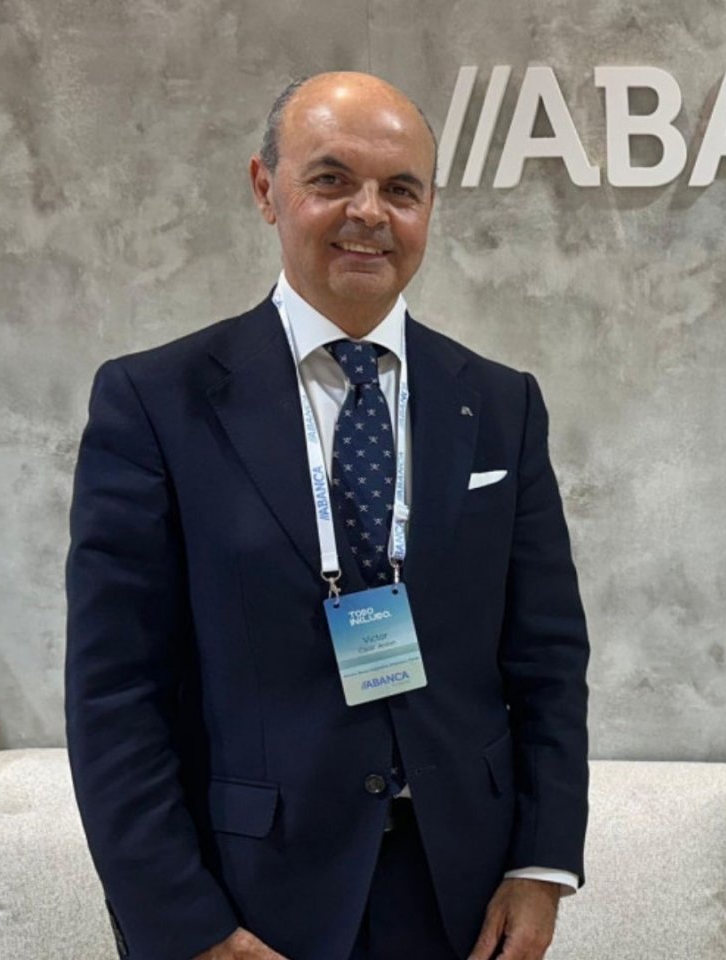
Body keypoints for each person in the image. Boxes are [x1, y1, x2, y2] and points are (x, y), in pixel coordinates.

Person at [64, 72, 590, 960]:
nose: (368, 213)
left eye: (401, 189)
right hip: (250, 900)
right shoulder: (155, 402)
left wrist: (540, 867)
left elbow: (547, 660)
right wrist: (184, 925)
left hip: (461, 898)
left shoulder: (502, 405)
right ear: (266, 188)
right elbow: (115, 693)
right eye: (332, 179)